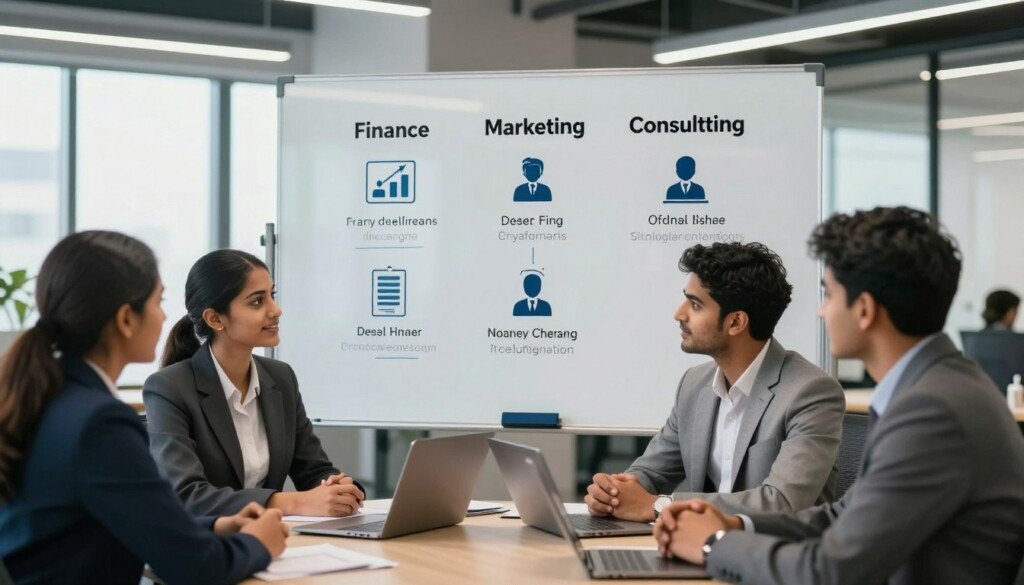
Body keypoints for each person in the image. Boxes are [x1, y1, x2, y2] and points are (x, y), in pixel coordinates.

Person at [655, 207, 1024, 585]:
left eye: (829, 295)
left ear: (864, 310)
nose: (820, 311)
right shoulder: (936, 386)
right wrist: (733, 523)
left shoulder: (933, 411)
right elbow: (841, 517)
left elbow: (832, 570)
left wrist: (714, 544)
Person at [0, 231, 287, 585]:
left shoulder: (49, 397)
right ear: (126, 319)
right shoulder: (100, 423)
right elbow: (195, 568)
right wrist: (257, 544)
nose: (164, 316)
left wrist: (212, 525)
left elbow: (116, 517)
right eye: (157, 301)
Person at [585, 242, 844, 523]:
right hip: (698, 550)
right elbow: (652, 472)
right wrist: (613, 493)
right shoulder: (694, 384)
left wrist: (662, 506)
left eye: (695, 304)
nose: (679, 314)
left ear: (735, 323)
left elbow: (782, 502)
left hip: (775, 557)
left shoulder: (810, 392)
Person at [144, 250, 365, 516]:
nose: (276, 310)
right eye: (257, 302)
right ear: (215, 319)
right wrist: (294, 502)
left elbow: (314, 470)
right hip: (208, 545)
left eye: (272, 295)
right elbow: (187, 495)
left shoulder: (281, 377)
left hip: (274, 538)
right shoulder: (169, 388)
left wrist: (338, 488)